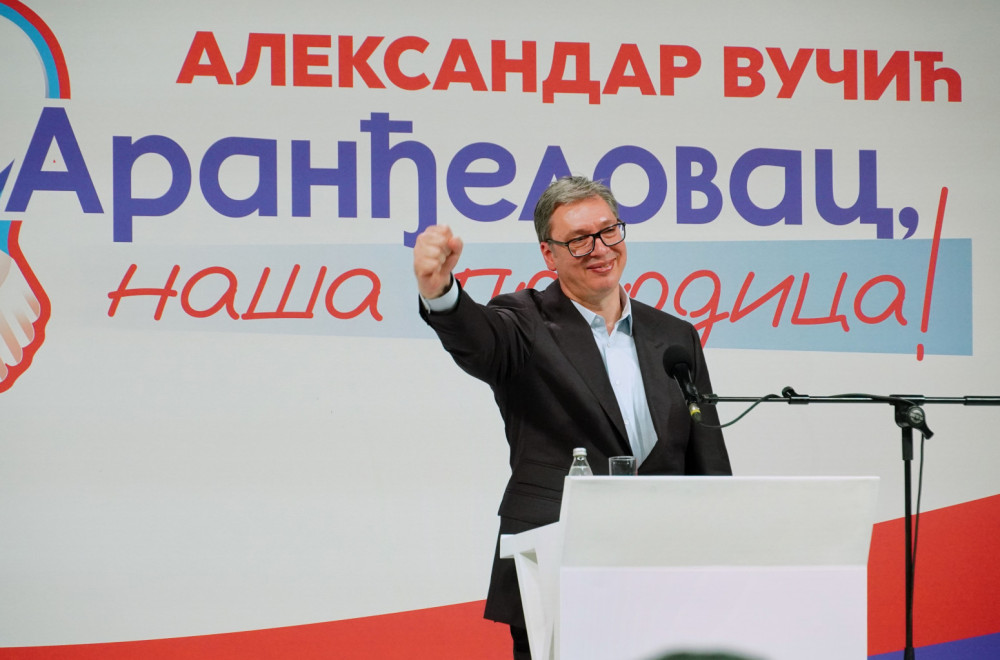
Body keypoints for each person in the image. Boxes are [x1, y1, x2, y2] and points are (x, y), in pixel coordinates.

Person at [413, 176, 732, 659]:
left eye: (609, 231)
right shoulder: (523, 321)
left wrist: (727, 556)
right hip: (558, 568)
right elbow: (479, 340)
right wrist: (442, 295)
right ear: (549, 254)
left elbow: (707, 460)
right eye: (579, 239)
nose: (600, 248)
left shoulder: (674, 335)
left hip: (663, 570)